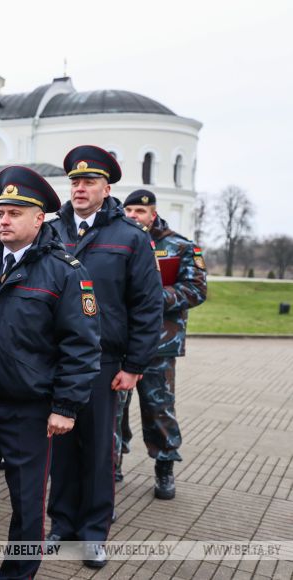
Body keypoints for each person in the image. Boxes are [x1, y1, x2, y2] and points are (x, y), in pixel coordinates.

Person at [0, 166, 101, 580]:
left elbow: (81, 344)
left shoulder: (65, 271)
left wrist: (66, 405)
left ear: (39, 218)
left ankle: (18, 574)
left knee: (27, 502)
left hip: (31, 409)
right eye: (2, 211)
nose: (5, 220)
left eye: (16, 212)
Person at [45, 145, 163, 568]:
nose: (80, 188)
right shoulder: (51, 231)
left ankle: (94, 532)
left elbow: (148, 305)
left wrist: (135, 365)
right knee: (60, 447)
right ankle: (61, 524)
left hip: (104, 361)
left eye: (89, 181)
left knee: (97, 449)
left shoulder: (130, 236)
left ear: (106, 187)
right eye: (75, 181)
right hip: (56, 358)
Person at [118, 189, 207, 498]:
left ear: (152, 214)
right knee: (114, 409)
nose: (132, 216)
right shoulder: (118, 242)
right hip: (119, 343)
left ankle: (165, 466)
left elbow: (196, 289)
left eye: (139, 212)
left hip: (159, 344)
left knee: (158, 408)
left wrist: (155, 297)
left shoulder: (180, 246)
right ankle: (112, 464)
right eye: (128, 210)